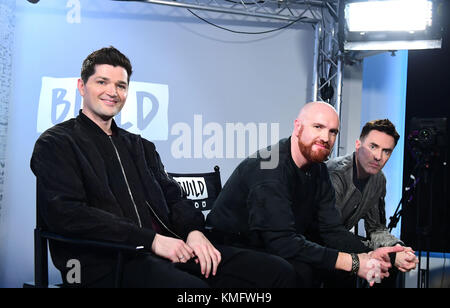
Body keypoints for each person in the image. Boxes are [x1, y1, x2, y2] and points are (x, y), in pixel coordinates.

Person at [30, 46, 296, 288]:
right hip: (103, 261)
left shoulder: (141, 146)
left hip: (168, 251)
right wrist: (150, 240)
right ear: (81, 86)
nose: (113, 92)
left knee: (276, 271)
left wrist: (194, 232)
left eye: (121, 86)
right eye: (102, 82)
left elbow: (174, 196)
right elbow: (68, 215)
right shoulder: (56, 143)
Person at [206, 101, 404, 287]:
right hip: (226, 248)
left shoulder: (318, 170)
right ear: (298, 127)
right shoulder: (270, 166)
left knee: (334, 269)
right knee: (292, 271)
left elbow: (331, 230)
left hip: (266, 246)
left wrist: (371, 255)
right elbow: (282, 242)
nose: (326, 138)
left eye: (333, 131)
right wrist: (353, 262)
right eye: (317, 127)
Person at [326, 119, 418, 286]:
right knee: (381, 260)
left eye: (386, 151)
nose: (378, 156)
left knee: (388, 267)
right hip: (317, 242)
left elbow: (376, 228)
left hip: (341, 242)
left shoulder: (378, 180)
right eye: (373, 146)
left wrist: (396, 248)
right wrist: (387, 255)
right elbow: (329, 232)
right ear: (357, 144)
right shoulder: (336, 174)